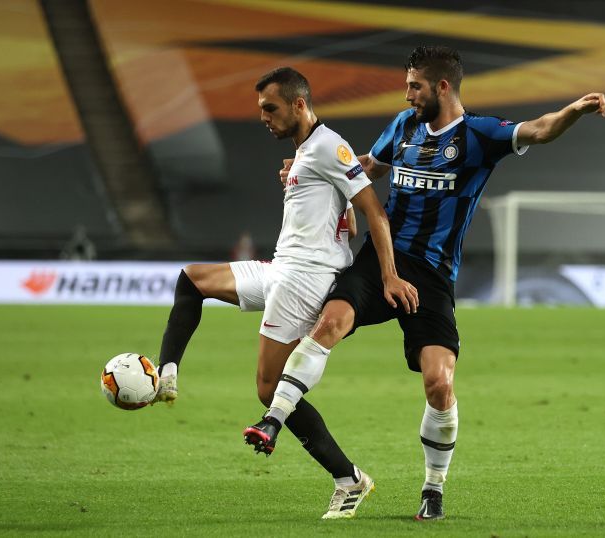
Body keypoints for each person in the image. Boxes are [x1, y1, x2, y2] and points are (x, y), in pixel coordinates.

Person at [244, 45, 605, 520]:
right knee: (331, 321)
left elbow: (540, 129)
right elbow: (366, 167)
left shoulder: (480, 135)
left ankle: (433, 488)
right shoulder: (403, 127)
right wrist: (307, 170)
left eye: (414, 86)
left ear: (442, 86)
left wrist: (576, 110)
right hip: (382, 263)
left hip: (434, 277)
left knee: (440, 385)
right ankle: (273, 421)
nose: (407, 95)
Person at [151, 66, 418, 519]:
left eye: (269, 108)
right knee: (191, 280)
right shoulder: (306, 153)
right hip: (281, 268)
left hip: (305, 279)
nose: (263, 117)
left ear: (298, 104)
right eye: (260, 109)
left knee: (268, 388)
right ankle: (167, 372)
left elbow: (374, 212)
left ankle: (348, 479)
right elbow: (347, 220)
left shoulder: (330, 147)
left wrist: (389, 275)